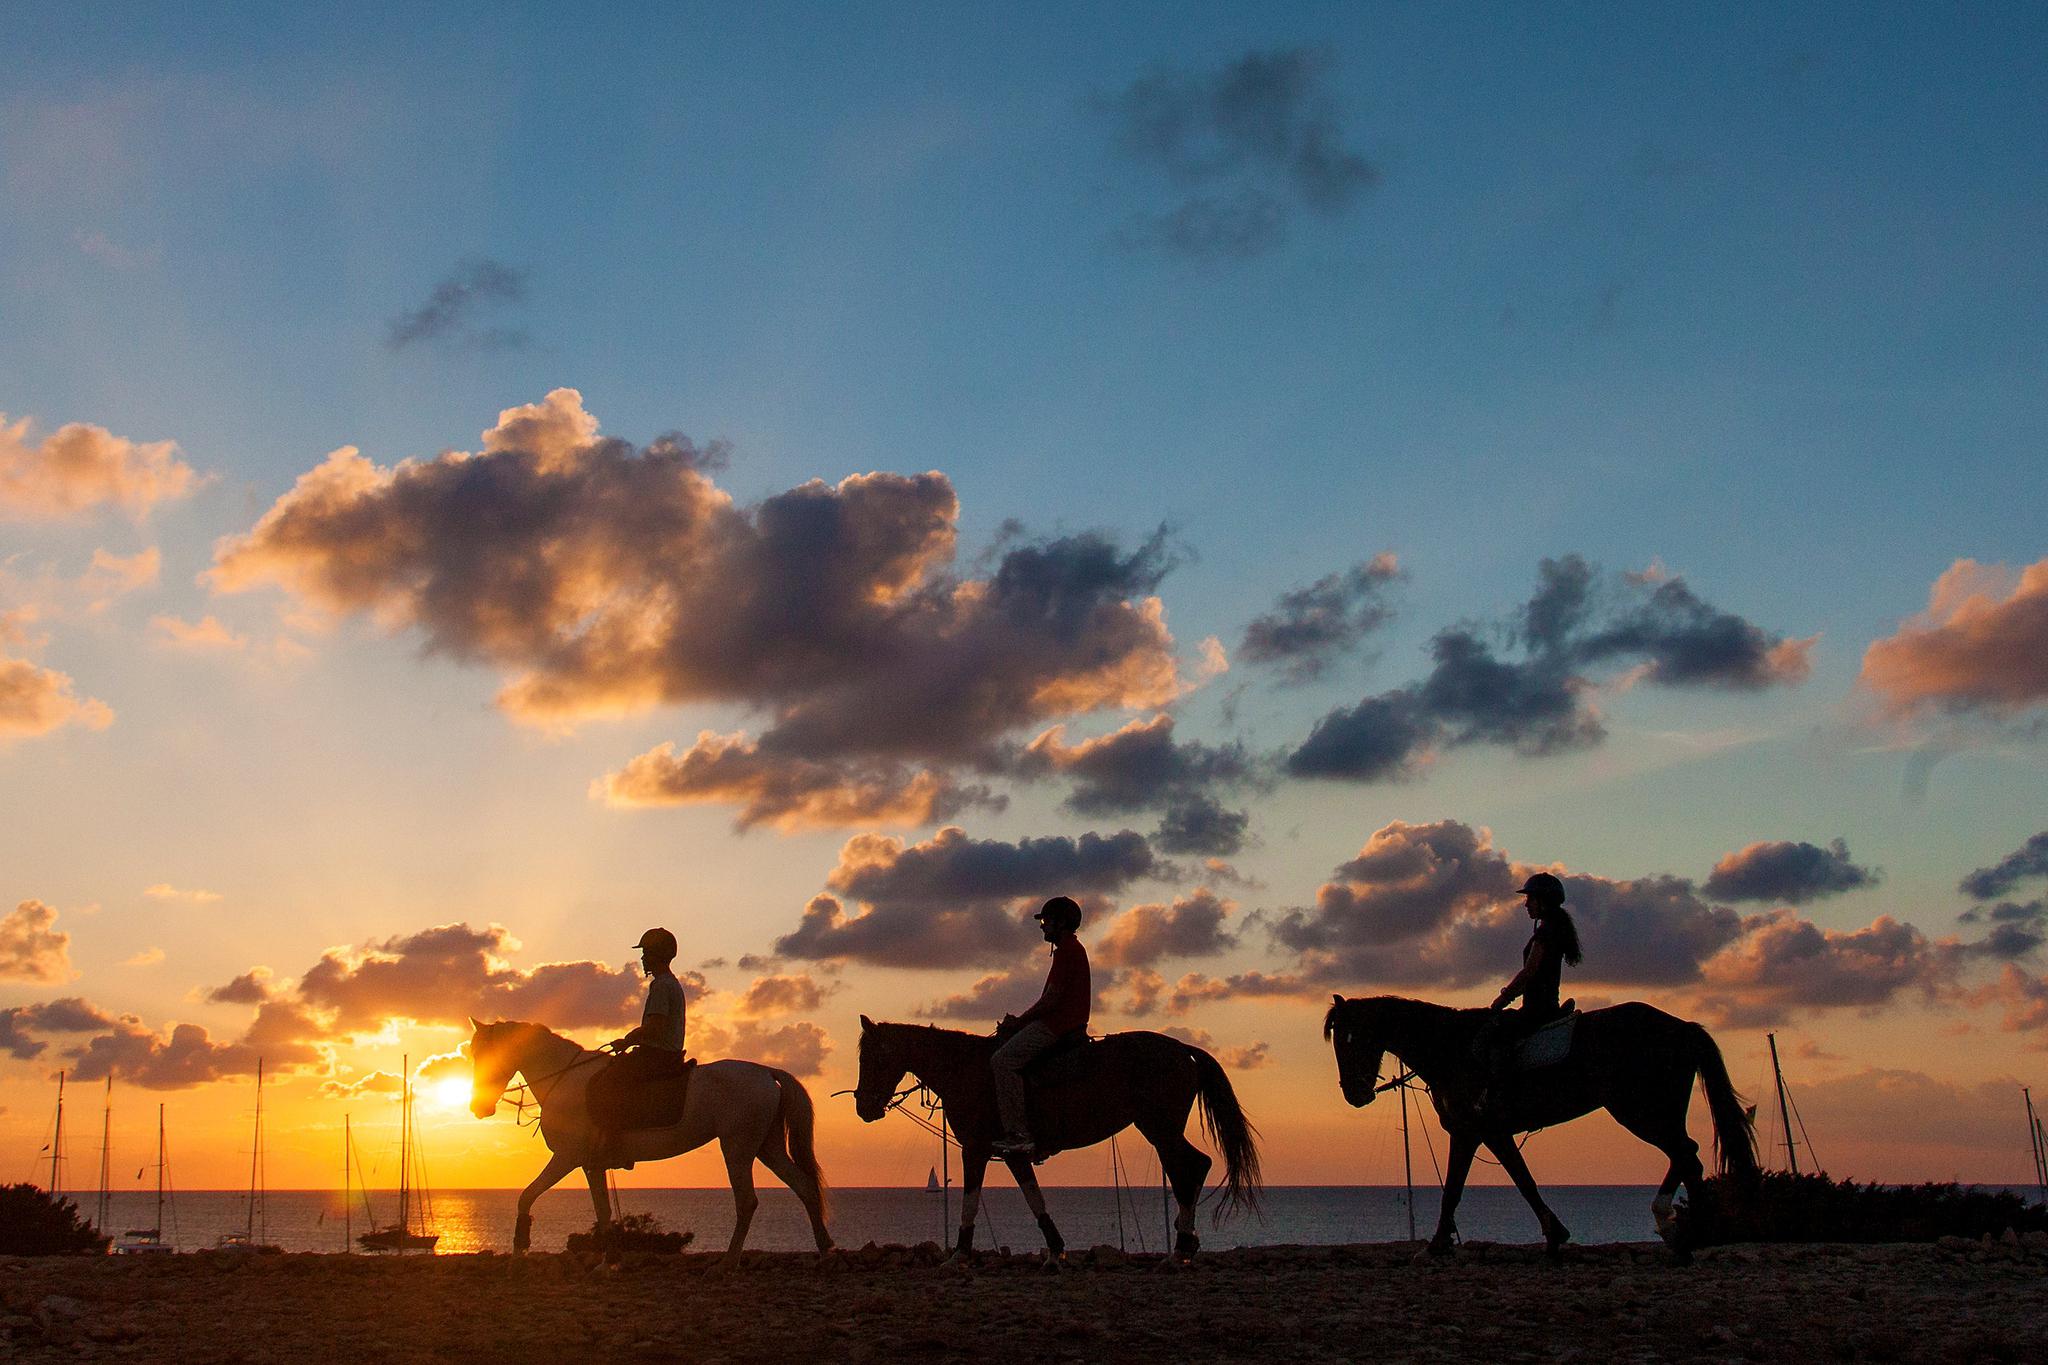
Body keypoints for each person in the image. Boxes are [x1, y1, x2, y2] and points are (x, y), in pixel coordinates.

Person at [1474, 872, 1583, 1117]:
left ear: (1543, 901)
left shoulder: (1545, 934)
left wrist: (1503, 998)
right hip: (1542, 1005)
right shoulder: (1552, 929)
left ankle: (1499, 1096)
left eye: (1531, 899)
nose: (1526, 904)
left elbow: (1529, 973)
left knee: (1498, 1037)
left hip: (1538, 1009)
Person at [989, 896, 1090, 1158]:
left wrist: (1020, 1022)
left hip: (1057, 1025)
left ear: (1061, 923)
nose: (1042, 927)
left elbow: (1051, 1000)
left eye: (1046, 922)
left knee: (1002, 1061)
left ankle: (1019, 1134)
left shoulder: (1067, 952)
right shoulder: (1070, 950)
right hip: (1060, 1023)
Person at [588, 927, 690, 1169]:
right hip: (665, 1053)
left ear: (657, 955)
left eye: (646, 953)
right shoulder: (670, 984)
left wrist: (627, 1040)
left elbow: (654, 1027)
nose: (643, 958)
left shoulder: (662, 986)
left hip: (657, 1055)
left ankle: (615, 1148)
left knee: (609, 1082)